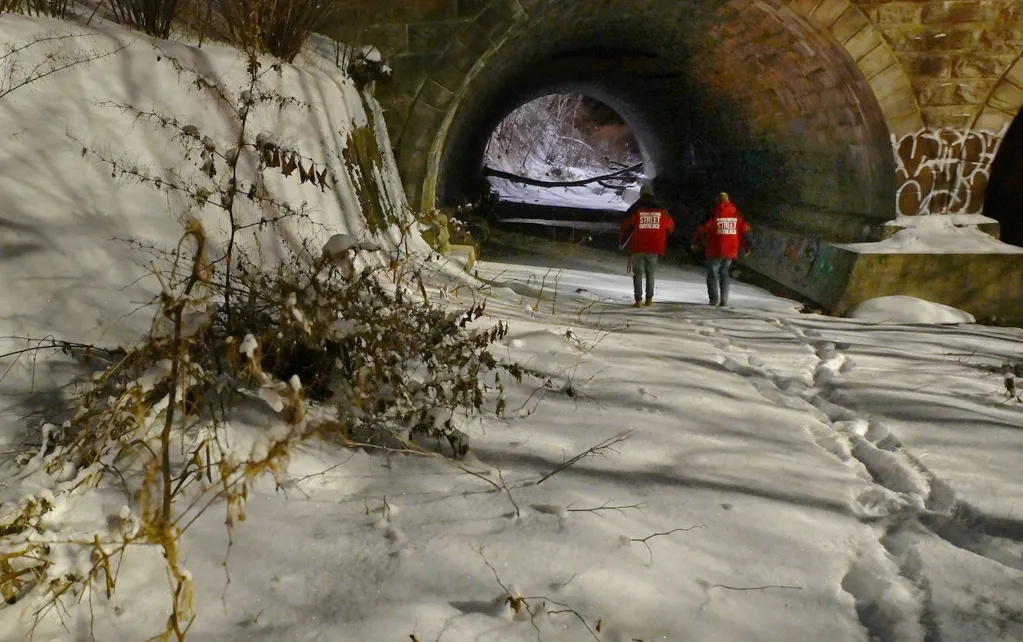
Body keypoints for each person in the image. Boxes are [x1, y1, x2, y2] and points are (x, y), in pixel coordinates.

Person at [619, 183, 675, 307]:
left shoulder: (635, 208)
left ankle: (638, 300)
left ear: (641, 193)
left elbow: (625, 225)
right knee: (651, 273)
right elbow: (670, 226)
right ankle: (649, 299)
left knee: (638, 273)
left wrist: (622, 241)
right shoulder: (662, 209)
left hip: (638, 246)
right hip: (655, 247)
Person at [692, 192, 750, 307]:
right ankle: (724, 300)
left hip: (714, 250)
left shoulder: (712, 214)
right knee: (724, 273)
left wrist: (695, 242)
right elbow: (744, 232)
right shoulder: (737, 215)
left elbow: (701, 229)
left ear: (718, 200)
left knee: (712, 274)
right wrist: (747, 247)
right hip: (730, 250)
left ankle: (714, 299)